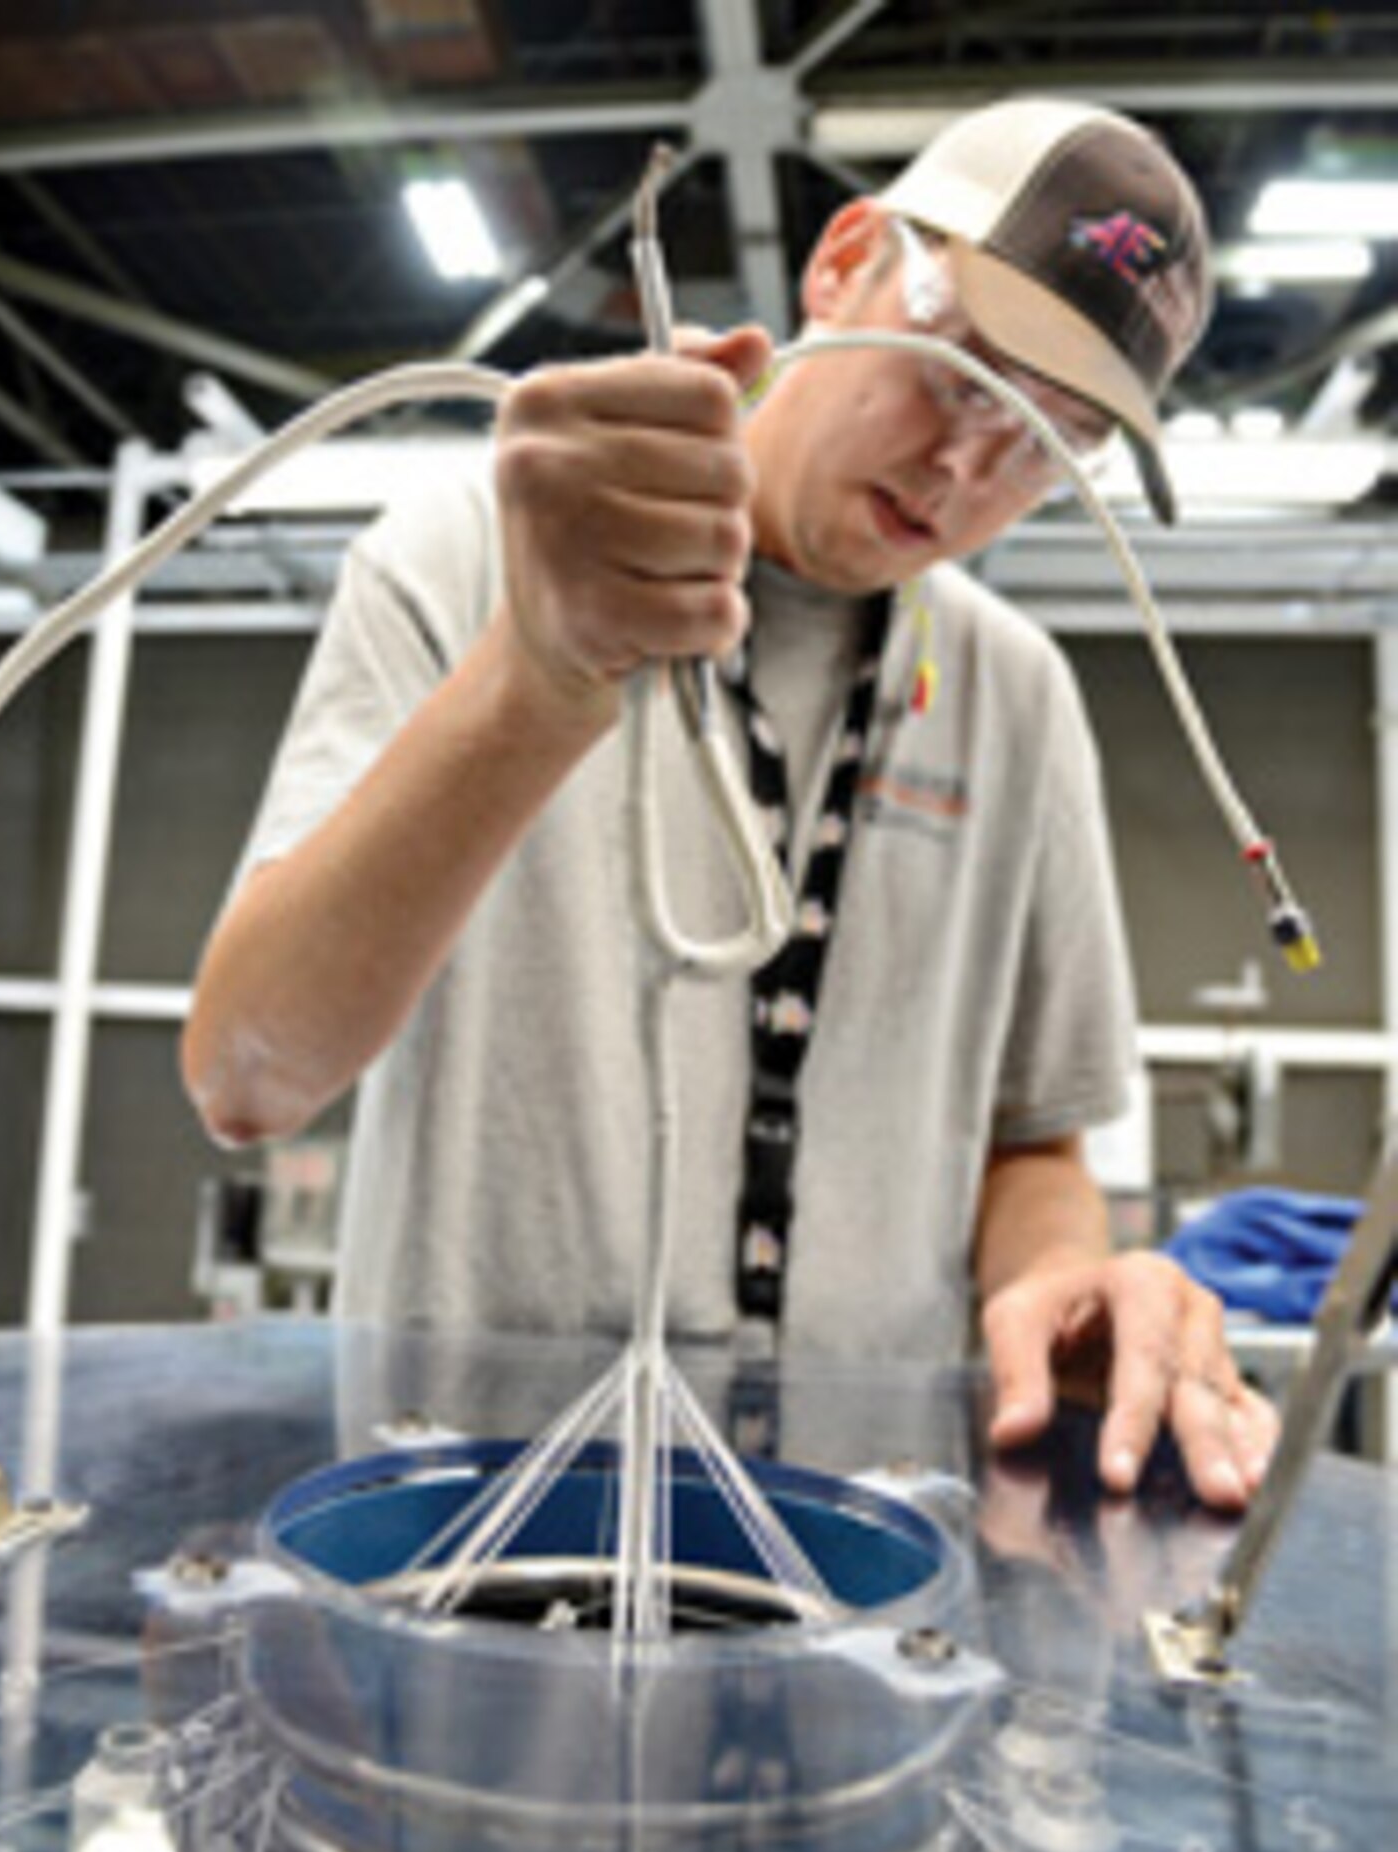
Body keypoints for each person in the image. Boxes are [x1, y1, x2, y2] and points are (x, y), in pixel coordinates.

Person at [183, 98, 1278, 1511]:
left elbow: (1035, 1142)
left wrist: (1060, 1279)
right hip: (459, 1523)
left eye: (1050, 443)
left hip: (852, 1554)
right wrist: (534, 681)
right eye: (962, 376)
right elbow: (249, 1074)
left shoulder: (1016, 698)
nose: (970, 471)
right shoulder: (466, 560)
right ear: (844, 263)